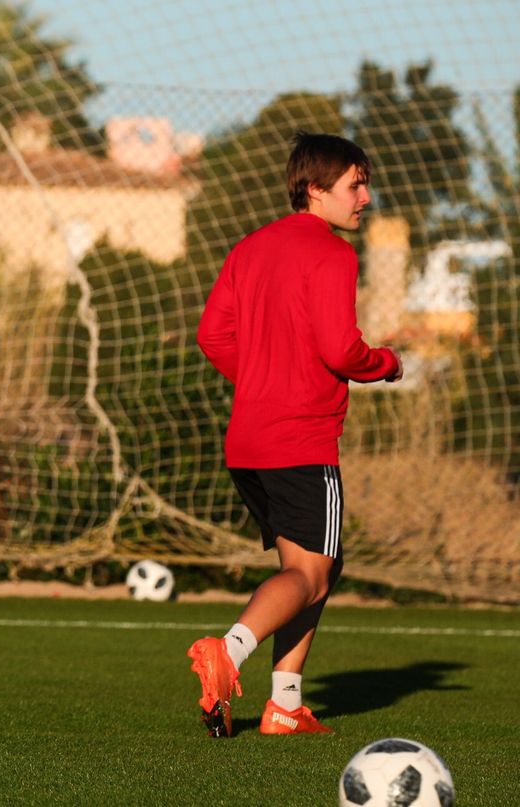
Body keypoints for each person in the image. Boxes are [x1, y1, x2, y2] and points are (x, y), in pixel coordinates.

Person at [189, 132, 402, 737]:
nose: (366, 196)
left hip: (249, 441)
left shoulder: (250, 248)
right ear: (316, 189)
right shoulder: (333, 254)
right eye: (355, 184)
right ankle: (228, 653)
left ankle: (284, 705)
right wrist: (385, 362)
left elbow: (212, 335)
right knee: (311, 574)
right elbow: (341, 350)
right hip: (301, 440)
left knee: (311, 571)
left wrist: (263, 378)